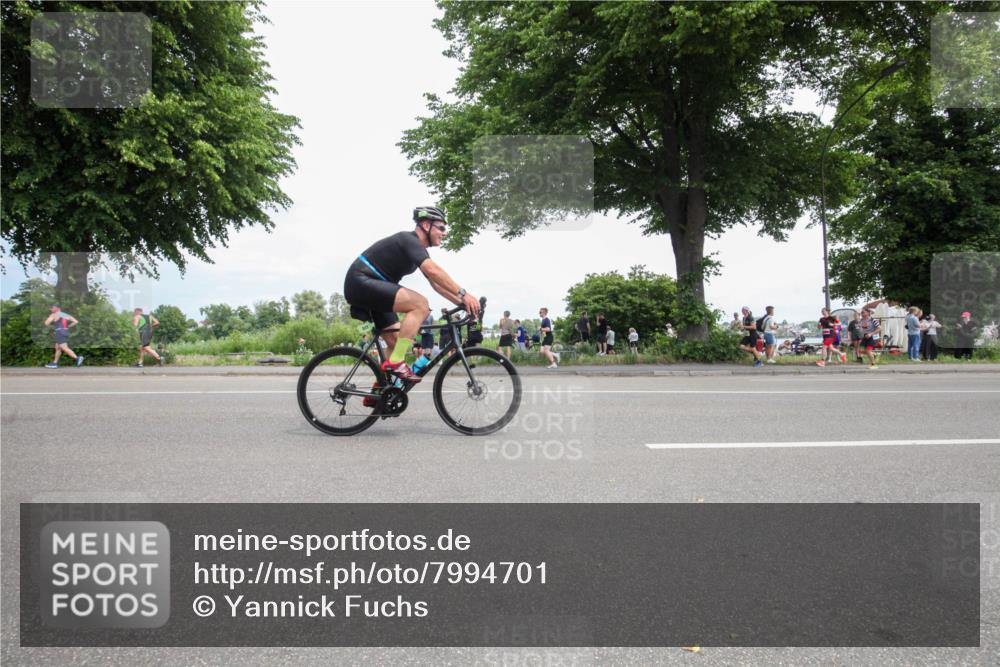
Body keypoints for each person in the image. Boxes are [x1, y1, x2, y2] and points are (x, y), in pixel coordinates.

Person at [343, 205, 480, 392]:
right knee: (420, 305)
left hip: (374, 289)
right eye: (441, 228)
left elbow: (436, 283)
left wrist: (462, 303)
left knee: (394, 341)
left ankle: (379, 392)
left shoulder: (417, 249)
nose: (444, 233)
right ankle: (397, 362)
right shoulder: (408, 240)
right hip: (361, 281)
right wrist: (464, 293)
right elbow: (433, 270)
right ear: (425, 225)